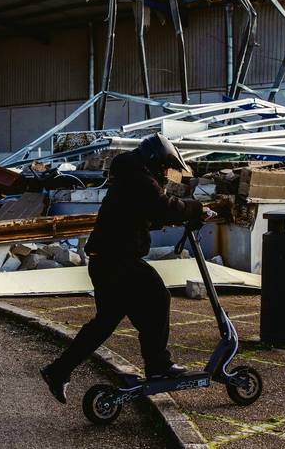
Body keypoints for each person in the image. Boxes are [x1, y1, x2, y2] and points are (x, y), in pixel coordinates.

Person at [40, 133, 208, 403]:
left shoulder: (131, 174)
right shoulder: (138, 178)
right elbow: (161, 206)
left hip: (106, 260)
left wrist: (168, 219)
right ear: (155, 161)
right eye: (165, 167)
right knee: (157, 297)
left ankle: (59, 370)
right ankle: (158, 366)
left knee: (105, 323)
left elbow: (144, 213)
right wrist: (196, 208)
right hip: (118, 260)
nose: (166, 173)